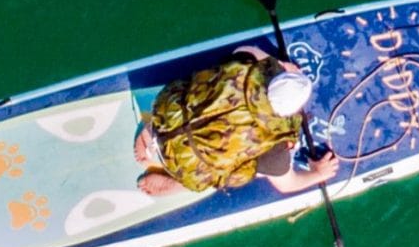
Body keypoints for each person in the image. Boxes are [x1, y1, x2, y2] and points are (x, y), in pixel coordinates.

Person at [134, 44, 341, 196]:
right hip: (189, 166)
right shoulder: (274, 144)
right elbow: (287, 184)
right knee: (251, 170)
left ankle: (150, 130)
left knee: (194, 97)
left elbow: (245, 48)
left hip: (168, 120)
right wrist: (318, 174)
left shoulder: (246, 67)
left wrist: (282, 65)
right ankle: (178, 183)